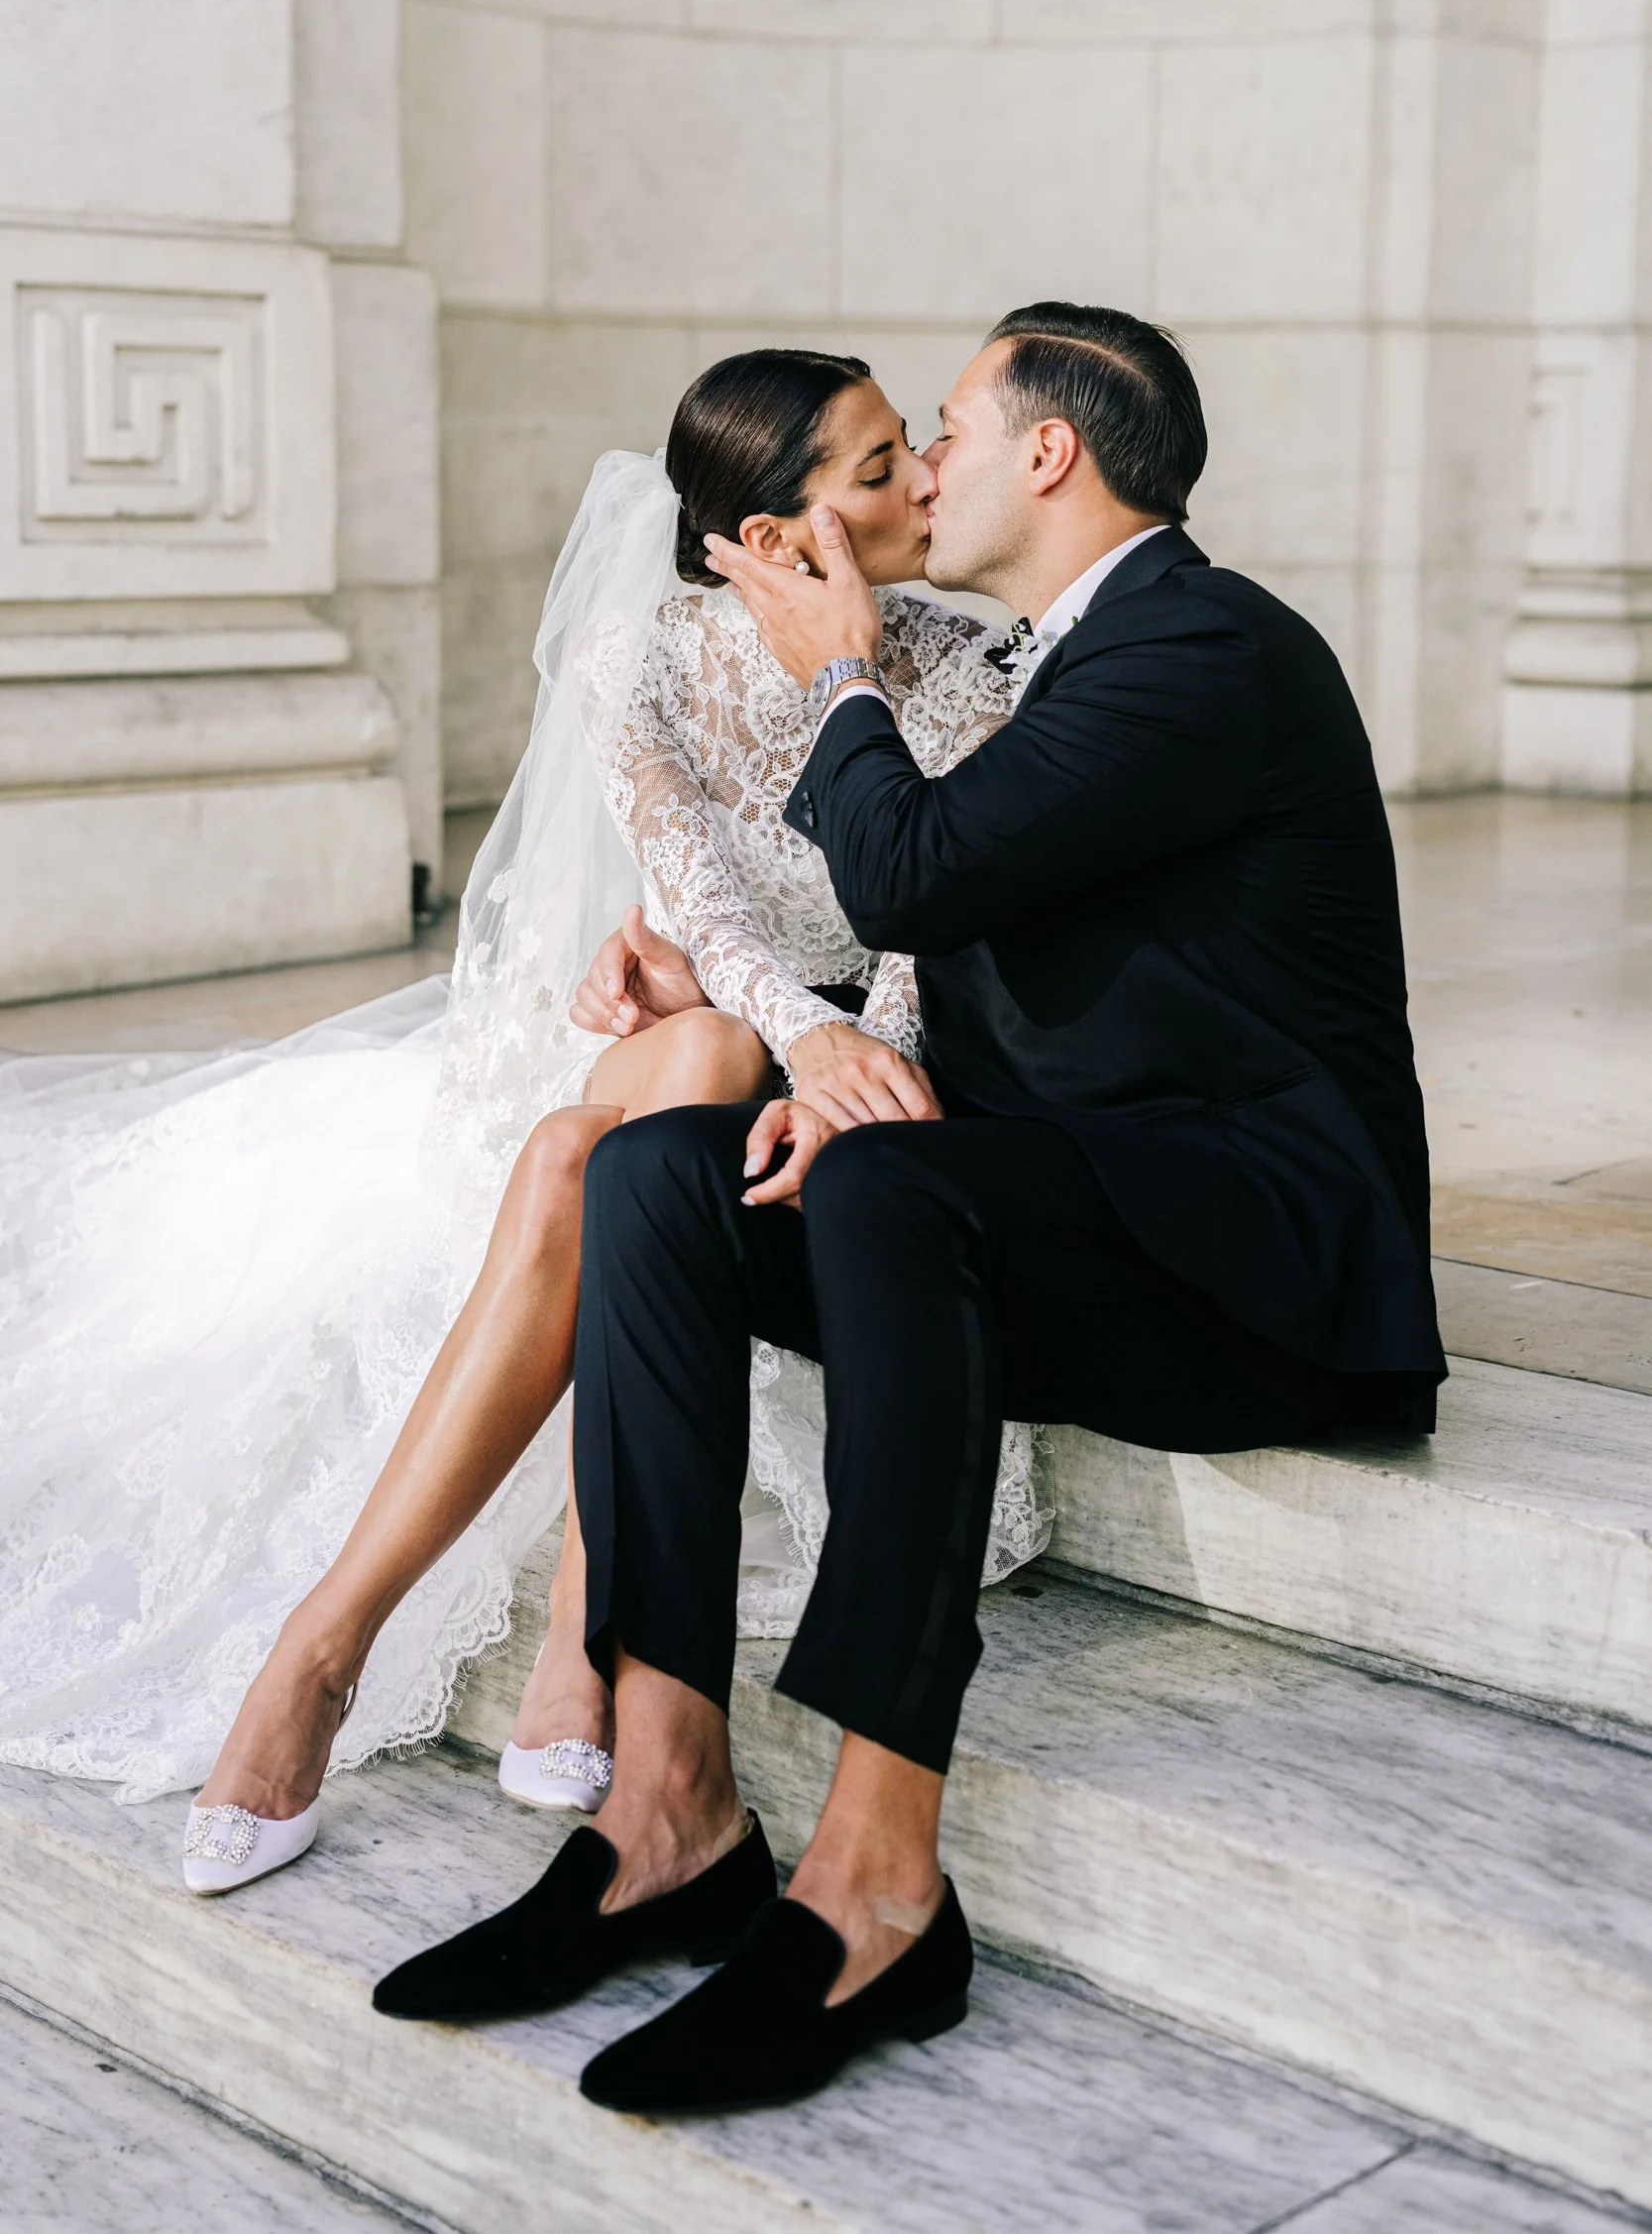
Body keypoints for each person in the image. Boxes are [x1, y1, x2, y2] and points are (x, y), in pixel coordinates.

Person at [373, 302, 1446, 2116]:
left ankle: (877, 1880)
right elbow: (934, 936)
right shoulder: (1063, 655)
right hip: (1084, 1203)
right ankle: (663, 1808)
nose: (926, 468)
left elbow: (913, 874)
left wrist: (835, 672)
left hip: (1258, 1265)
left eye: (948, 429)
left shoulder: (1202, 648)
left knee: (878, 1184)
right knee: (654, 1172)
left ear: (1050, 452)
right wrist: (727, 1016)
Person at [0, 351, 1046, 1890]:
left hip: (776, 1062)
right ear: (770, 541)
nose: (924, 486)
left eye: (914, 454)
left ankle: (346, 1641)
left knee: (599, 1150)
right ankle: (503, 1630)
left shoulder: (970, 659)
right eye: (882, 467)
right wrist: (804, 1035)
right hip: (704, 1043)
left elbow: (920, 927)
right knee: (679, 1063)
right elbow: (694, 893)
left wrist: (859, 1063)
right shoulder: (646, 650)